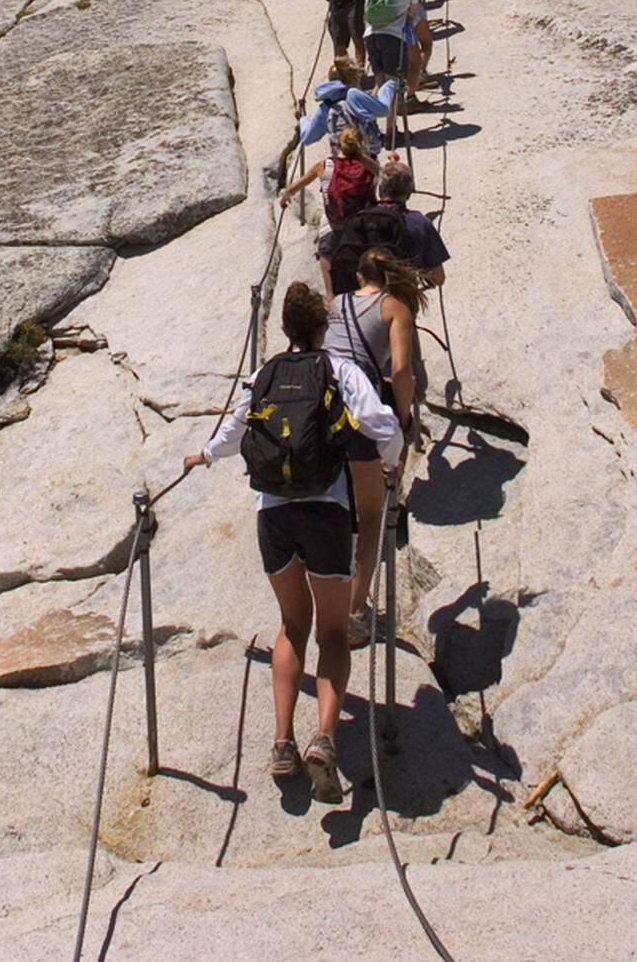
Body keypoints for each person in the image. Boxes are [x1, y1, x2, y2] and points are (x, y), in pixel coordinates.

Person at [185, 282, 403, 800]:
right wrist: (391, 460)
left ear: (284, 328)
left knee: (291, 625)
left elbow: (237, 427)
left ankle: (281, 741)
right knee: (332, 633)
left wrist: (206, 455)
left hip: (274, 515)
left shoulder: (266, 373)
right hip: (326, 511)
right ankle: (324, 740)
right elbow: (378, 422)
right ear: (322, 327)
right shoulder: (339, 370)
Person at [323, 251, 424, 642]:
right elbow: (400, 370)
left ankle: (327, 599)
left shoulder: (337, 304)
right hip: (360, 411)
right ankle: (351, 614)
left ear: (359, 273)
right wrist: (400, 420)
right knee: (369, 517)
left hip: (322, 406)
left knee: (332, 508)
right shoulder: (395, 307)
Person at [281, 125, 379, 295]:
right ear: (361, 144)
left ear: (337, 146)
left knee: (325, 249)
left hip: (337, 226)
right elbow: (384, 176)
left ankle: (331, 295)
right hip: (364, 227)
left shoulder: (324, 166)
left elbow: (293, 188)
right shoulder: (371, 164)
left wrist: (284, 198)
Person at [376, 158, 449, 284]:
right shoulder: (420, 223)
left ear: (380, 191)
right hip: (404, 296)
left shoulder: (361, 219)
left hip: (367, 299)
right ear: (409, 194)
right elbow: (438, 278)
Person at [363, 0, 420, 87]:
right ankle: (395, 107)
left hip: (370, 35)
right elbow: (412, 11)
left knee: (380, 82)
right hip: (392, 35)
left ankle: (378, 108)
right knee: (393, 83)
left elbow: (365, 11)